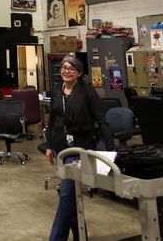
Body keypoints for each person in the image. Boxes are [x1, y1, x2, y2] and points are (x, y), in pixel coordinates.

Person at [45, 55, 113, 241]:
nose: (66, 71)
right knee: (72, 196)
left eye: (71, 68)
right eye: (64, 67)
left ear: (79, 73)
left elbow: (102, 121)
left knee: (67, 194)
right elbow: (53, 120)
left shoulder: (88, 92)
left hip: (78, 150)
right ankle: (80, 236)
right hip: (60, 148)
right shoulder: (57, 91)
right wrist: (49, 145)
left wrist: (111, 151)